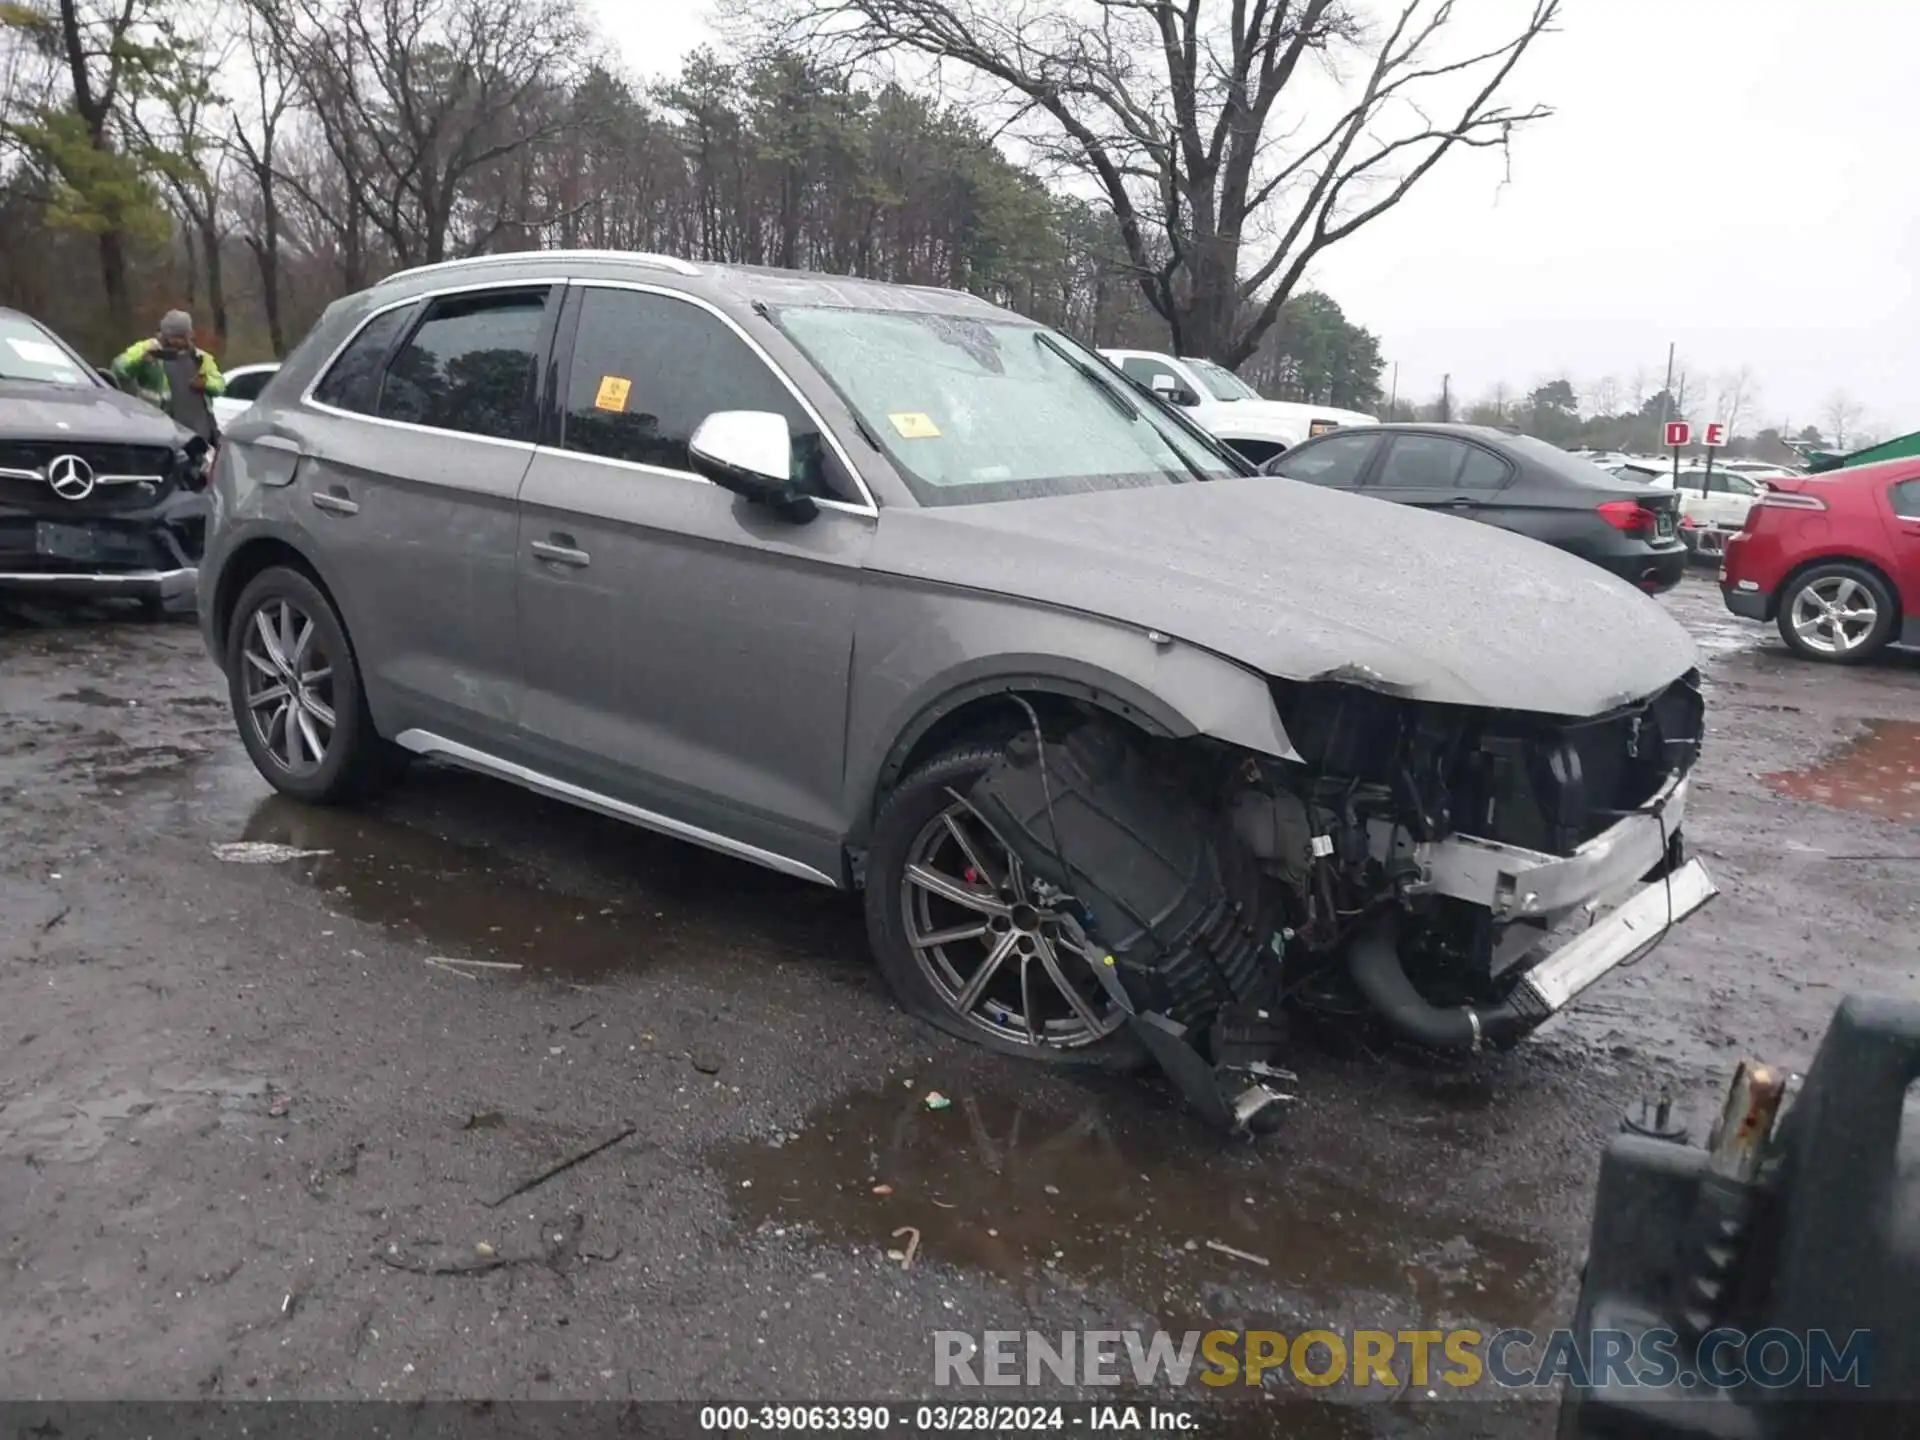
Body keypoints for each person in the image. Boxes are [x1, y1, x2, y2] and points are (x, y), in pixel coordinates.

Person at [111, 310, 225, 440]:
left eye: (182, 337)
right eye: (173, 337)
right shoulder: (148, 348)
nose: (177, 341)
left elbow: (220, 386)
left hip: (198, 431)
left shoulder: (200, 358)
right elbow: (118, 367)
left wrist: (206, 384)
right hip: (158, 428)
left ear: (189, 335)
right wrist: (141, 361)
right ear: (164, 334)